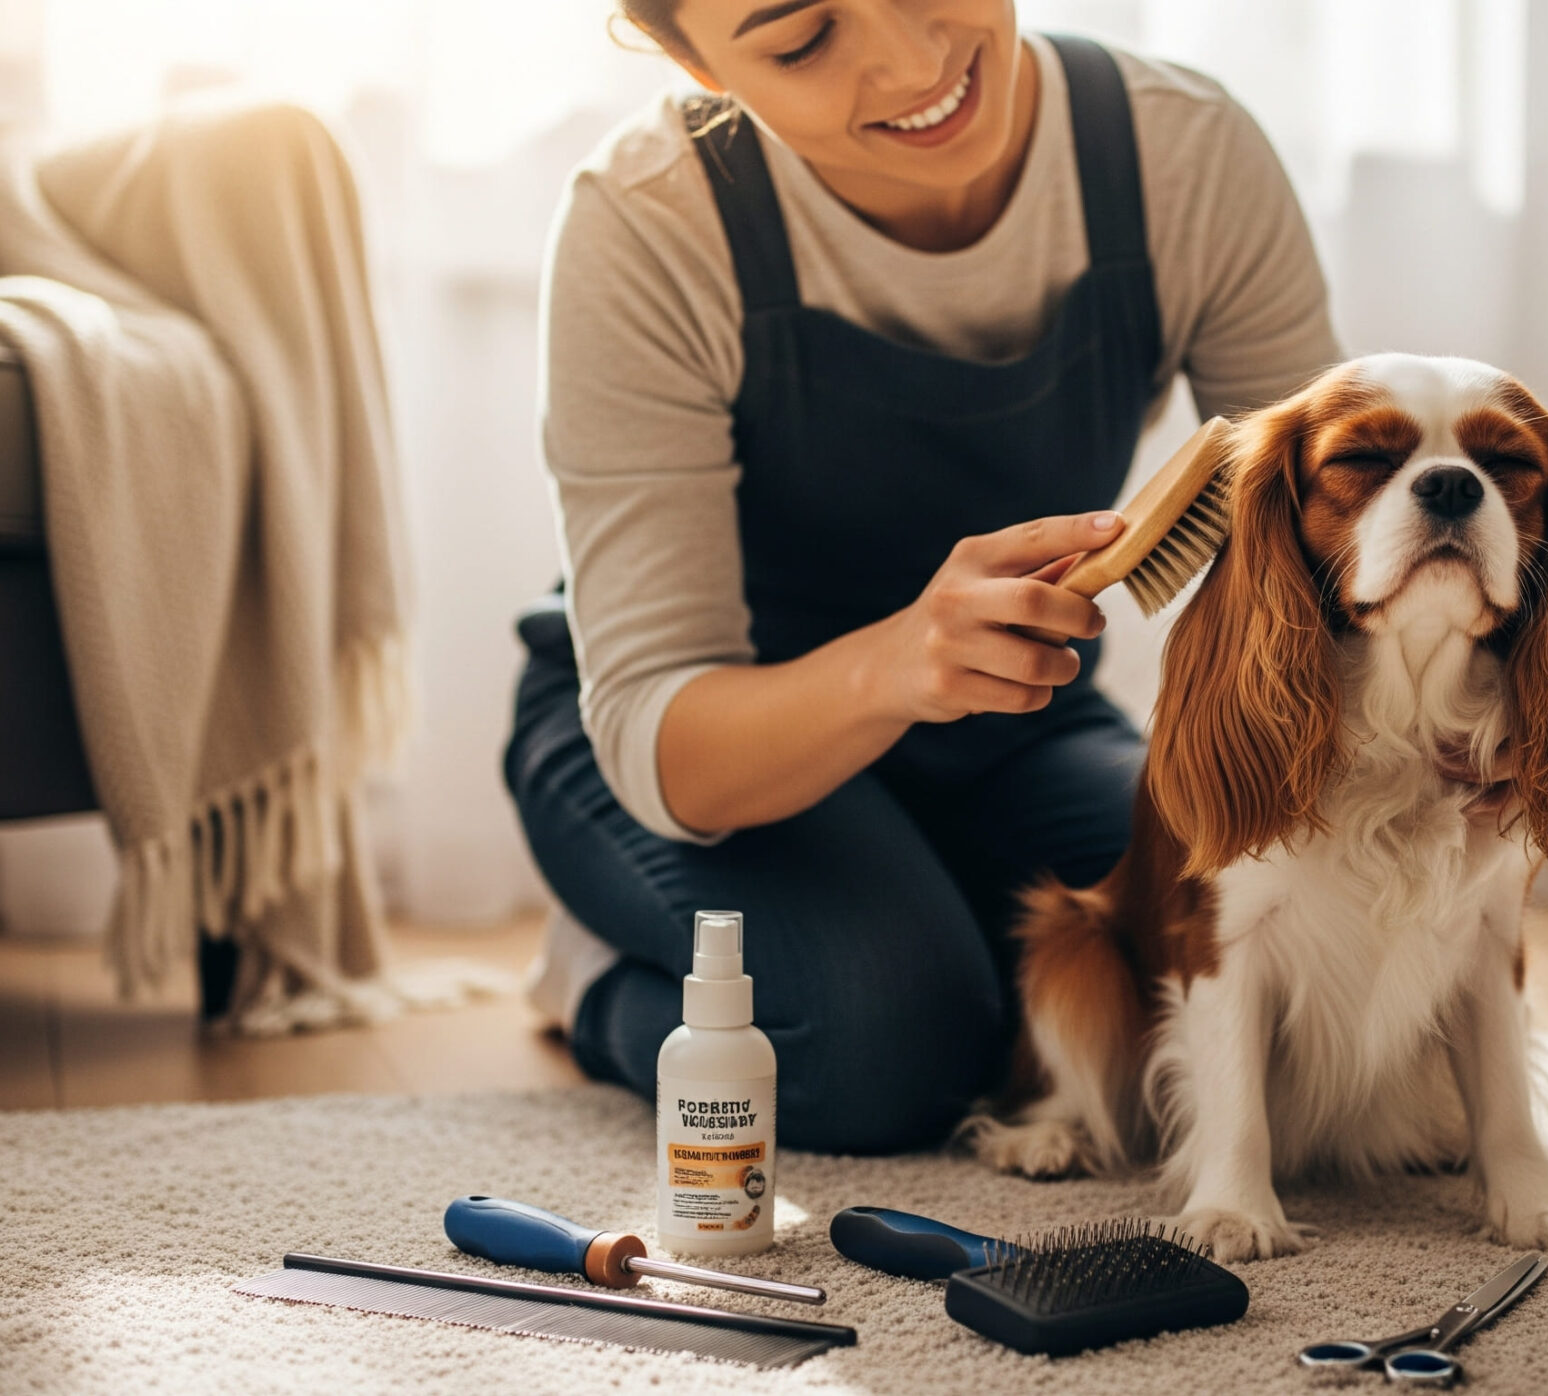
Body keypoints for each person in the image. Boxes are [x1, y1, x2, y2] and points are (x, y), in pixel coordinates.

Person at [506, 0, 1338, 1153]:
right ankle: (595, 978)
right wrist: (896, 667)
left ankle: (928, 911)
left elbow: (1322, 535)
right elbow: (660, 726)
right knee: (889, 1048)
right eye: (801, 41)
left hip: (1011, 726)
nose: (911, 61)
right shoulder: (648, 222)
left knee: (1269, 958)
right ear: (695, 61)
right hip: (692, 750)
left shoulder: (1180, 153)